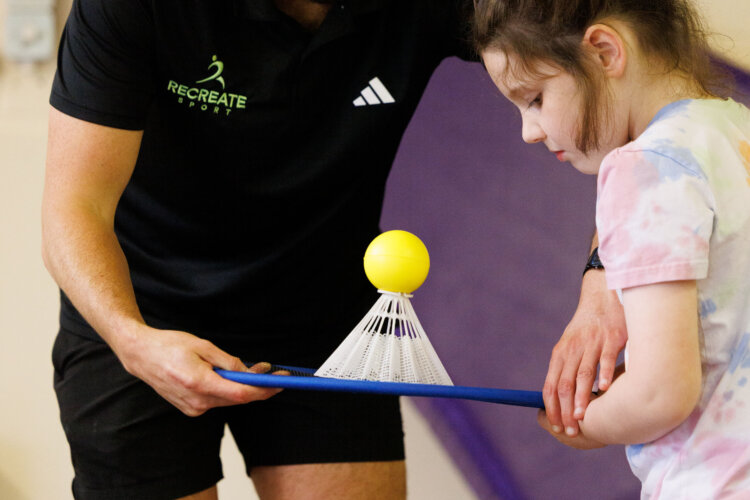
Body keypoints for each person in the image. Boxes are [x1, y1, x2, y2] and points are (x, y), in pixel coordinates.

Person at [42, 0, 623, 498]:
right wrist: (131, 339)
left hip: (330, 325)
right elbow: (73, 208)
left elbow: (630, 64)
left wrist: (603, 279)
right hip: (143, 315)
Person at [473, 0, 750, 497]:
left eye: (534, 99)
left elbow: (662, 393)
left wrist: (583, 422)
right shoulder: (738, 127)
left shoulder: (638, 167)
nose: (529, 131)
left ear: (604, 52)